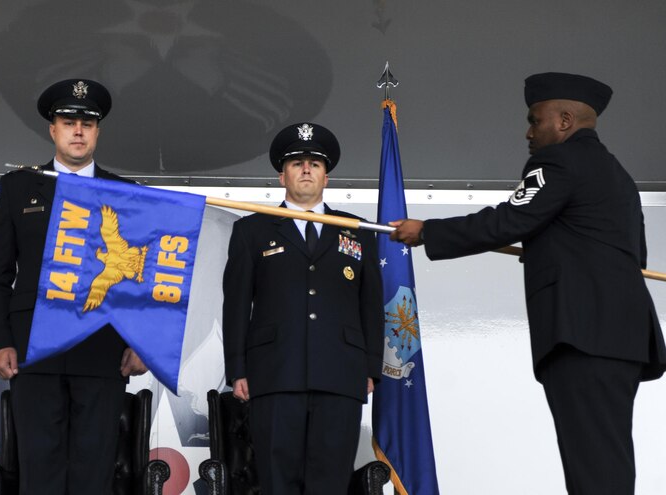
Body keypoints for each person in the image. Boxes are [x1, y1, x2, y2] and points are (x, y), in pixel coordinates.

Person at [390, 72, 666, 494]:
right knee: (606, 459)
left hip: (582, 336)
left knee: (592, 466)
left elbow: (509, 220)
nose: (529, 133)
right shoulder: (619, 177)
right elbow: (632, 255)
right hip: (622, 338)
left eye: (535, 120)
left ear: (564, 121)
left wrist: (428, 231)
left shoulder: (559, 161)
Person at [0, 78, 148, 494]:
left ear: (97, 132)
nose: (78, 131)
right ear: (52, 129)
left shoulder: (127, 194)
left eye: (87, 124)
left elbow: (140, 277)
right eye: (69, 123)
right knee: (39, 471)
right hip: (35, 350)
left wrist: (142, 342)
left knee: (94, 473)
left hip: (102, 351)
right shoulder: (19, 187)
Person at [222, 122, 385, 494]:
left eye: (315, 163)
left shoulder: (358, 230)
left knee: (330, 482)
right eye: (297, 163)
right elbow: (236, 304)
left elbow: (371, 304)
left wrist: (370, 367)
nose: (306, 169)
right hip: (274, 374)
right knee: (278, 482)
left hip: (340, 375)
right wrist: (237, 369)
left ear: (326, 176)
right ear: (283, 176)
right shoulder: (252, 231)